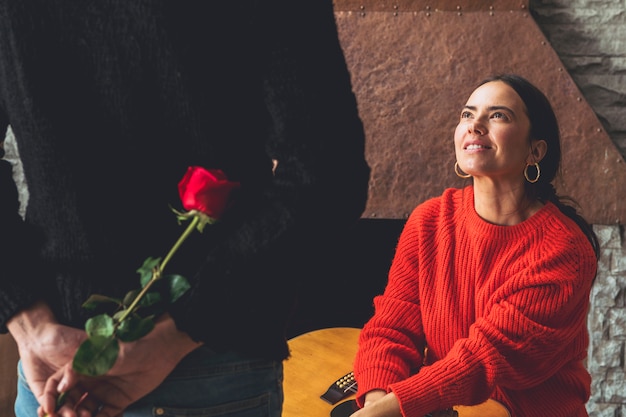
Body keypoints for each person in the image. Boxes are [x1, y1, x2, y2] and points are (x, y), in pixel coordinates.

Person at [0, 1, 371, 416]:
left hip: (58, 362)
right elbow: (329, 175)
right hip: (206, 361)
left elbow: (325, 176)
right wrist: (178, 332)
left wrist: (28, 322)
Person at [351, 74, 599, 417]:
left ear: (535, 151)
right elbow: (391, 329)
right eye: (468, 115)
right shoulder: (429, 220)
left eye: (498, 115)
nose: (475, 125)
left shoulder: (564, 250)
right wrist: (377, 404)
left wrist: (387, 412)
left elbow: (484, 360)